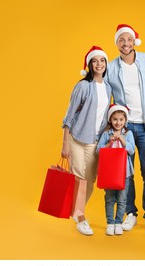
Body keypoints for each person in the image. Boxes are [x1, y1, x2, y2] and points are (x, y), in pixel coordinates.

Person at [107, 24, 145, 236]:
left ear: (134, 41)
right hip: (124, 128)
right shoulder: (111, 67)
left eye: (129, 39)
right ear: (116, 43)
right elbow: (106, 97)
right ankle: (130, 213)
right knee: (126, 173)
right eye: (121, 40)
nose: (125, 44)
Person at [61, 46, 112, 236]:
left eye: (102, 61)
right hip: (76, 138)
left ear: (105, 64)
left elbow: (104, 115)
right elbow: (69, 115)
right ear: (90, 65)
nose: (99, 64)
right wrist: (65, 143)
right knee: (80, 178)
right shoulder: (82, 86)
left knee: (90, 180)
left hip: (94, 140)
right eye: (95, 61)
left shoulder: (108, 87)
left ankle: (75, 210)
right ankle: (81, 217)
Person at [97, 104, 135, 236]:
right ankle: (110, 223)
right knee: (109, 199)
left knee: (122, 199)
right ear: (110, 120)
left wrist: (123, 141)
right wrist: (109, 142)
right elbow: (98, 151)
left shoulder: (128, 133)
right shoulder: (106, 134)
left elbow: (132, 150)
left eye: (121, 119)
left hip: (124, 172)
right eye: (115, 119)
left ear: (125, 120)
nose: (118, 122)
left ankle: (118, 223)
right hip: (109, 173)